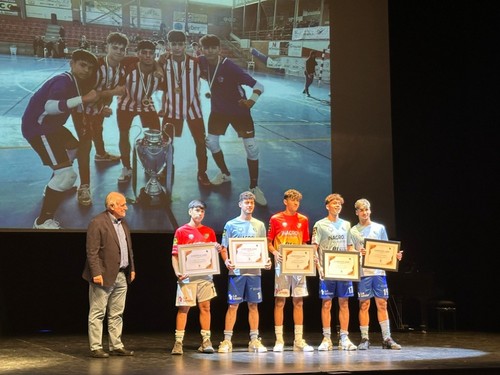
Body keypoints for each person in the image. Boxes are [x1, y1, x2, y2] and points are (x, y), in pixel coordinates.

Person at [22, 49, 98, 229]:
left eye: (90, 68)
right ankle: (42, 221)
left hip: (52, 127)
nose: (86, 70)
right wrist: (84, 98)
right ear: (72, 64)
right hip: (39, 128)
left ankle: (54, 183)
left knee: (74, 146)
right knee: (67, 176)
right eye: (82, 65)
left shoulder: (74, 82)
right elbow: (50, 107)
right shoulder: (63, 81)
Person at [198, 34, 267, 206]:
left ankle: (253, 187)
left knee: (251, 148)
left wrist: (251, 101)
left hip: (239, 112)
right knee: (212, 143)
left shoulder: (230, 67)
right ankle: (225, 174)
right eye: (206, 48)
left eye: (213, 48)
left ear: (219, 49)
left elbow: (259, 86)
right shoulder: (201, 61)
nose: (210, 51)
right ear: (202, 50)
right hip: (218, 111)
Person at [71, 32, 129, 206]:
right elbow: (89, 94)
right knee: (85, 144)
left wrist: (104, 106)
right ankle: (84, 186)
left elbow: (107, 92)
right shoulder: (96, 67)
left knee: (98, 130)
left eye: (122, 49)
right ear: (107, 47)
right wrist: (113, 93)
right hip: (81, 109)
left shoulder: (121, 70)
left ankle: (101, 154)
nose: (118, 51)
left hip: (97, 109)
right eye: (115, 47)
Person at [82, 191, 136, 358]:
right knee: (98, 312)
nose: (126, 207)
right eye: (122, 205)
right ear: (112, 206)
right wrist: (96, 272)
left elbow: (128, 248)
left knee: (117, 313)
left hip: (121, 275)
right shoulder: (98, 222)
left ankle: (116, 345)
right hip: (103, 275)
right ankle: (96, 347)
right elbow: (92, 251)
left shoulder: (123, 223)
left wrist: (132, 268)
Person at [217, 191, 272, 353]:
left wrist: (266, 261)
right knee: (233, 305)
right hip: (237, 273)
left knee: (253, 305)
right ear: (240, 204)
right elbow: (224, 247)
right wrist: (226, 260)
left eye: (252, 203)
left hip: (255, 273)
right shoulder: (231, 224)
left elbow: (262, 248)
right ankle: (227, 341)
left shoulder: (259, 225)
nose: (249, 205)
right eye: (246, 202)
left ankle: (254, 340)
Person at [350, 198, 404, 350]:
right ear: (357, 212)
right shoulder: (353, 231)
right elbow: (350, 250)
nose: (365, 212)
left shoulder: (379, 228)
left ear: (370, 211)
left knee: (382, 303)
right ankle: (365, 338)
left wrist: (396, 256)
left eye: (367, 209)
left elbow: (387, 249)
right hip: (363, 272)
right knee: (364, 304)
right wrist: (358, 252)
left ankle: (387, 338)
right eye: (361, 210)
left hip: (379, 272)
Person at [159, 30, 210, 186]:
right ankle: (168, 168)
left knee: (200, 142)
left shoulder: (196, 63)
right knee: (167, 143)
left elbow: (212, 77)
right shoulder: (162, 62)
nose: (177, 48)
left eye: (180, 44)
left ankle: (202, 172)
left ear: (185, 45)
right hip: (171, 109)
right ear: (169, 45)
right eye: (173, 44)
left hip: (193, 109)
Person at [170, 200, 219, 355]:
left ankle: (206, 341)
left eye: (202, 211)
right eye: (197, 210)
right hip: (187, 277)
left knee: (206, 308)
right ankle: (178, 342)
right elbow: (175, 255)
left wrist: (217, 249)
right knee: (184, 308)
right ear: (190, 211)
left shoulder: (209, 231)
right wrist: (177, 272)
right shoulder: (181, 231)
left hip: (205, 277)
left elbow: (212, 254)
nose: (200, 213)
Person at [267, 189, 313, 352]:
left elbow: (306, 243)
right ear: (285, 201)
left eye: (298, 201)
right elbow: (269, 242)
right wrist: (275, 252)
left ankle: (298, 340)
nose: (296, 203)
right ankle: (279, 340)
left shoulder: (303, 220)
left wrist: (309, 256)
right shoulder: (275, 219)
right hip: (281, 265)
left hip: (299, 265)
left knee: (298, 301)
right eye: (293, 200)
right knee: (280, 301)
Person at [312, 193, 357, 351]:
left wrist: (353, 265)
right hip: (327, 270)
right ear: (327, 206)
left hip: (344, 270)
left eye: (340, 204)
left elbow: (350, 247)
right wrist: (320, 268)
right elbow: (314, 248)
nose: (337, 206)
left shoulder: (346, 224)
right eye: (334, 203)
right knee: (327, 303)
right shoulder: (319, 224)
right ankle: (326, 338)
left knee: (344, 303)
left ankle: (344, 337)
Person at [116, 39, 163, 183]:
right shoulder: (128, 67)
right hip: (126, 103)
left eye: (151, 53)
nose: (148, 56)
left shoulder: (159, 72)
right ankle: (126, 167)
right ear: (138, 54)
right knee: (124, 134)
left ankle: (151, 165)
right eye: (144, 53)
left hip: (146, 104)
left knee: (156, 133)